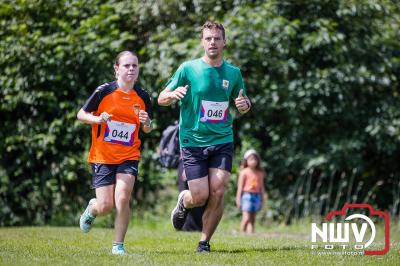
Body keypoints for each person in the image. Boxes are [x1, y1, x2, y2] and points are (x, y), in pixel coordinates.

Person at [157, 21, 251, 253]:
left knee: (218, 190)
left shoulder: (234, 73)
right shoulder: (188, 69)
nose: (212, 42)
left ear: (224, 42)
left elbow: (243, 103)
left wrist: (244, 105)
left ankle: (204, 242)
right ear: (202, 42)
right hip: (192, 141)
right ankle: (184, 201)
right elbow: (160, 97)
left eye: (217, 38)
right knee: (199, 196)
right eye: (208, 38)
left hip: (222, 140)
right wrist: (172, 95)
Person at [77, 51, 153, 255]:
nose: (131, 69)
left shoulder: (143, 96)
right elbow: (81, 114)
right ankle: (93, 208)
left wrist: (147, 123)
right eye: (126, 66)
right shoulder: (104, 92)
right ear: (116, 69)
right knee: (105, 206)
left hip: (129, 155)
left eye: (134, 66)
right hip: (103, 156)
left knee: (122, 197)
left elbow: (147, 128)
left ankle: (118, 246)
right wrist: (97, 120)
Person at [236, 149, 266, 234]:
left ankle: (250, 234)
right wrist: (238, 199)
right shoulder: (244, 172)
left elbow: (262, 187)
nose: (253, 161)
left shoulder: (260, 173)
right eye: (251, 159)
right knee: (246, 218)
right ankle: (241, 234)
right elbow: (240, 187)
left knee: (253, 218)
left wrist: (262, 199)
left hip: (257, 196)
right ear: (246, 161)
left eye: (255, 159)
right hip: (246, 196)